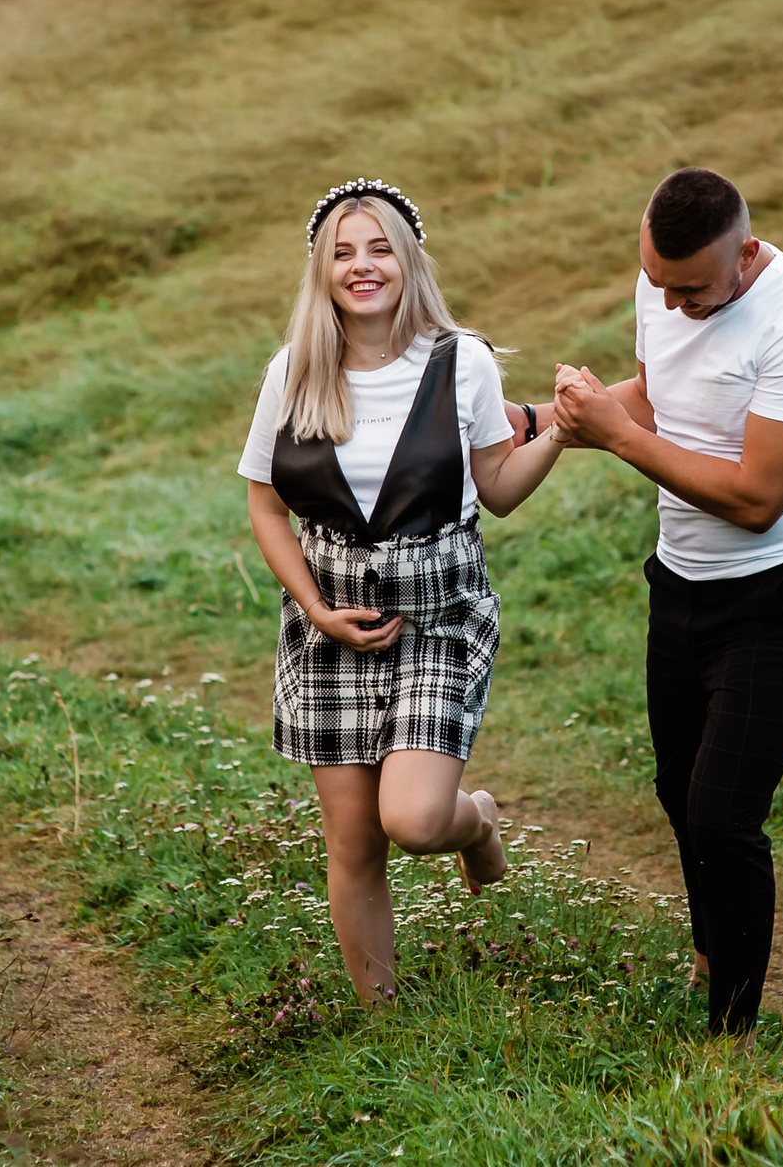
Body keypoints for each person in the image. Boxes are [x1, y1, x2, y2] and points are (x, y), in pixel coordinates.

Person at [239, 179, 566, 1004]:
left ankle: (476, 817)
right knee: (353, 839)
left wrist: (564, 431)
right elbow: (265, 502)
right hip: (330, 626)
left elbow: (496, 484)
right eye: (342, 253)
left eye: (379, 247)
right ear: (321, 271)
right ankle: (382, 1021)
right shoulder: (294, 372)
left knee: (415, 821)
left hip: (440, 617)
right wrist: (315, 608)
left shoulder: (464, 363)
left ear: (409, 259)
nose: (362, 266)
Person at [545, 166, 783, 1036]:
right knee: (680, 792)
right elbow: (656, 397)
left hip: (782, 597)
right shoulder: (664, 283)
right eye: (658, 283)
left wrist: (620, 438)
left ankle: (734, 1035)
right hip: (678, 584)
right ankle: (713, 960)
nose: (671, 304)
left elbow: (758, 501)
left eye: (692, 289)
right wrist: (545, 420)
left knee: (723, 815)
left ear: (746, 254)